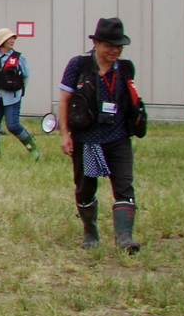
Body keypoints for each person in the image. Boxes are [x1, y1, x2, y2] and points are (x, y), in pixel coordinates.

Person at [56, 17, 140, 254]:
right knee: (85, 188)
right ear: (97, 44)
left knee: (124, 186)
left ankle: (124, 238)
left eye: (119, 46)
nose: (114, 51)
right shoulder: (78, 65)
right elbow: (64, 101)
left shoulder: (125, 68)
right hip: (87, 139)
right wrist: (65, 135)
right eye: (109, 46)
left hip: (118, 136)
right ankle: (90, 231)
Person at [0, 27, 39, 159]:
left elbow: (25, 76)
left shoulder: (19, 57)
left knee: (13, 125)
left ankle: (32, 147)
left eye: (13, 38)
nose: (13, 40)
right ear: (2, 41)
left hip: (12, 98)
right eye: (10, 38)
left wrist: (17, 90)